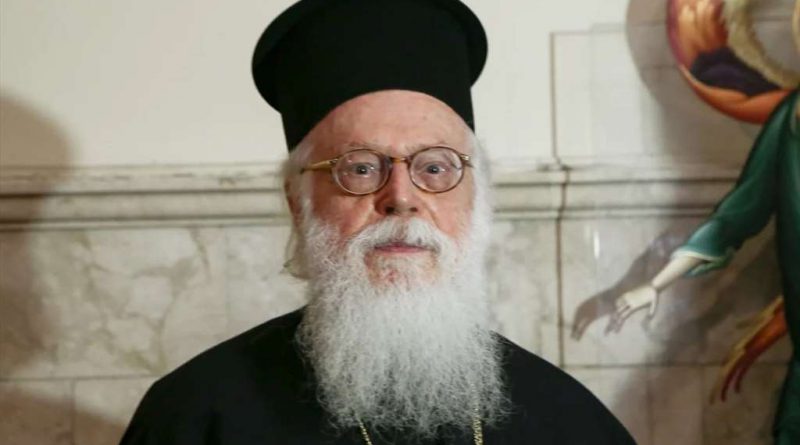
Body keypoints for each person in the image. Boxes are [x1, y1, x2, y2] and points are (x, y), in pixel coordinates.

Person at [120, 1, 635, 443]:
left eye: (436, 168)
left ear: (477, 197)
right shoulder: (196, 417)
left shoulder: (570, 421)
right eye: (361, 168)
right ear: (298, 203)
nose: (402, 198)